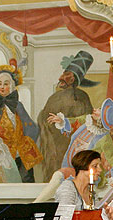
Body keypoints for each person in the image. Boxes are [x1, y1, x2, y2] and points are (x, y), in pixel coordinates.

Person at [35, 51, 96, 182]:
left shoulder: (81, 97)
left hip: (73, 145)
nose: (61, 79)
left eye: (68, 76)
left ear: (74, 79)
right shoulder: (56, 98)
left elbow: (87, 122)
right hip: (56, 144)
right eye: (64, 74)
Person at [0, 63, 42, 183]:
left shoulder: (18, 105)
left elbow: (31, 127)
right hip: (1, 153)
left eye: (6, 84)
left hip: (21, 152)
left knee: (26, 180)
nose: (2, 87)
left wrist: (26, 142)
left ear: (11, 86)